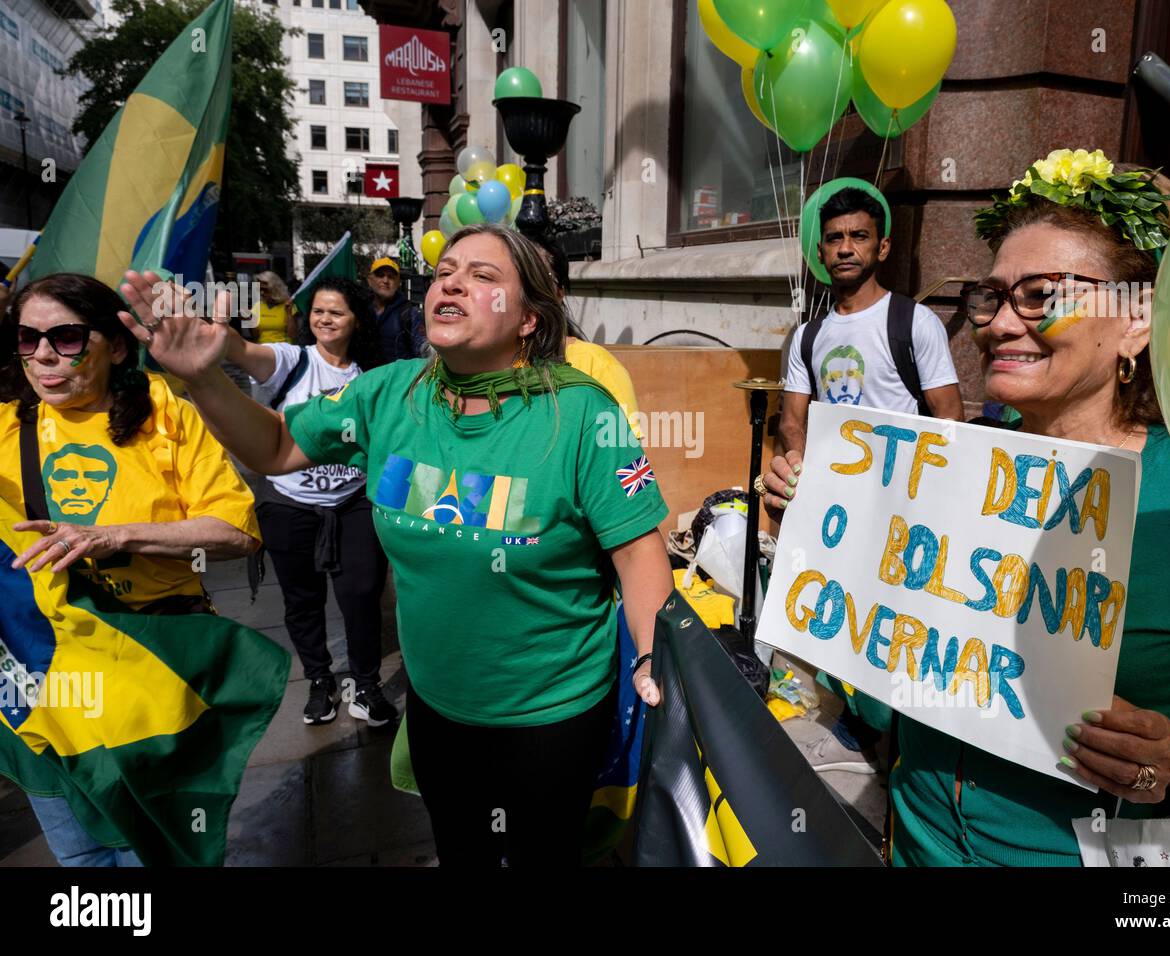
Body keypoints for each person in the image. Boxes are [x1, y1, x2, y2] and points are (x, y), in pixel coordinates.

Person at [762, 149, 1170, 865]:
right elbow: (883, 680)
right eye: (993, 296)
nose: (1001, 324)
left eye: (1042, 295)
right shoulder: (950, 469)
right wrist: (821, 531)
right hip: (916, 846)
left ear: (1137, 320)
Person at [116, 222, 675, 867]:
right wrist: (205, 381)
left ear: (528, 319)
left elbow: (638, 552)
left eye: (483, 276)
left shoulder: (584, 415)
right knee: (461, 852)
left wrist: (651, 658)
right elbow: (273, 447)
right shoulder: (390, 393)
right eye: (445, 272)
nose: (452, 283)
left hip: (550, 717)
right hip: (438, 709)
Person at [0, 272, 261, 865]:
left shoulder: (167, 414)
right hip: (44, 676)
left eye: (66, 338)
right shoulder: (6, 425)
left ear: (115, 346)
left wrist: (109, 536)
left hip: (153, 669)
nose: (43, 356)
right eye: (27, 338)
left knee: (158, 849)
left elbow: (237, 530)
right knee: (81, 856)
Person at [777, 185, 964, 775]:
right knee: (837, 623)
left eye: (859, 236)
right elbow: (792, 420)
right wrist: (799, 482)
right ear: (820, 250)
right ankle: (853, 739)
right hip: (834, 517)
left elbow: (950, 418)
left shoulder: (915, 322)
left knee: (893, 631)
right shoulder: (808, 335)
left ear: (882, 246)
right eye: (834, 238)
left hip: (903, 518)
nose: (846, 248)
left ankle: (899, 751)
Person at [224, 277, 397, 727]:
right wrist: (220, 338)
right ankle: (320, 682)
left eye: (336, 312)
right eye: (318, 311)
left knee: (361, 596)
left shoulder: (371, 377)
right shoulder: (291, 360)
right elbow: (245, 353)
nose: (324, 319)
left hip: (354, 504)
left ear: (356, 320)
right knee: (303, 601)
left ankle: (365, 685)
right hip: (289, 505)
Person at [531, 234, 645, 442]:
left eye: (539, 277)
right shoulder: (483, 362)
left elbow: (622, 455)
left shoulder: (596, 364)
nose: (528, 290)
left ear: (559, 293)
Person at [366, 256, 425, 363]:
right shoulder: (359, 310)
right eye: (380, 275)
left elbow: (423, 354)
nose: (385, 280)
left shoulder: (410, 313)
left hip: (398, 378)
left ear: (398, 282)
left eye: (391, 277)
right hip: (364, 378)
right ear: (370, 280)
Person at [250, 271, 297, 344]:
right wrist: (250, 320)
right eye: (260, 289)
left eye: (265, 290)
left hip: (283, 350)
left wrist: (289, 314)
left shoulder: (288, 306)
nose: (262, 293)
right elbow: (255, 337)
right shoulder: (257, 306)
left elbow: (292, 335)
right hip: (262, 349)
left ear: (275, 289)